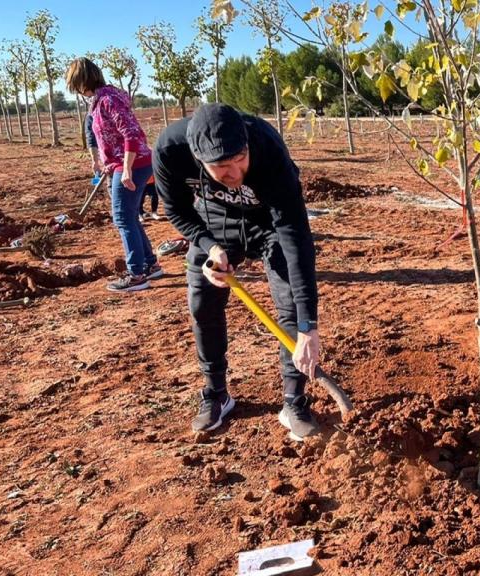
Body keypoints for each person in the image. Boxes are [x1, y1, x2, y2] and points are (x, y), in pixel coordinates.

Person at [153, 103, 320, 441]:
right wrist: (208, 246)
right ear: (198, 158)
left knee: (289, 304)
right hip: (212, 221)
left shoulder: (266, 147)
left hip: (269, 224)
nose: (235, 172)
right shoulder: (169, 150)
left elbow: (295, 236)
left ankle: (294, 401)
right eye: (221, 167)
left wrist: (307, 327)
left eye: (239, 160)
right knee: (202, 303)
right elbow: (176, 210)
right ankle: (216, 393)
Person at [67, 57, 160, 292]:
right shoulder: (100, 101)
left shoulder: (108, 100)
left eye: (75, 85)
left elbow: (131, 133)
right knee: (129, 216)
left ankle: (136, 275)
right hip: (123, 164)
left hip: (131, 164)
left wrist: (126, 169)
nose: (77, 91)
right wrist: (100, 160)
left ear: (82, 81)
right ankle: (150, 265)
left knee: (122, 218)